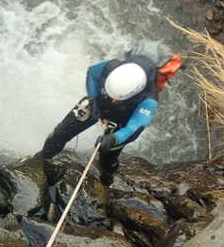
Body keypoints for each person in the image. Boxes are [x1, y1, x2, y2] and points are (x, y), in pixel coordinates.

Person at [34, 43, 182, 213]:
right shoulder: (111, 67)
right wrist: (93, 97)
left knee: (108, 156)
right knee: (60, 133)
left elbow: (135, 127)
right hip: (98, 102)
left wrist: (114, 138)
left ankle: (106, 180)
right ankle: (42, 158)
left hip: (123, 119)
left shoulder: (149, 100)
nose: (114, 100)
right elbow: (91, 73)